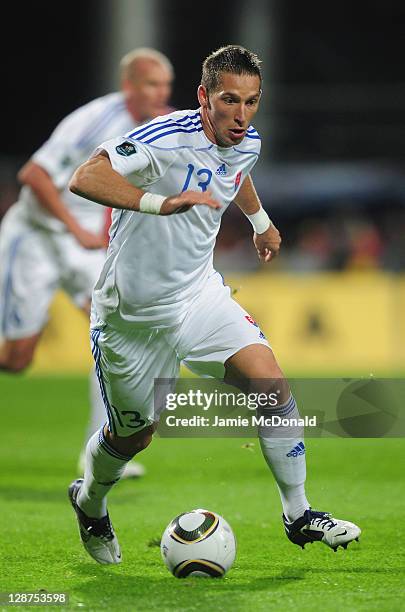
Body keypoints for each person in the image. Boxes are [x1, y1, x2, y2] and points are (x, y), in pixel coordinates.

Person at [67, 45, 361, 565]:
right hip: (131, 317)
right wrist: (162, 202)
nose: (242, 115)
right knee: (132, 438)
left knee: (269, 382)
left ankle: (298, 513)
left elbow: (235, 172)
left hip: (198, 296)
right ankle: (90, 503)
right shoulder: (164, 139)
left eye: (252, 102)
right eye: (230, 101)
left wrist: (261, 221)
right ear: (204, 97)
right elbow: (85, 176)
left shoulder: (246, 141)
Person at [0, 47, 174, 478]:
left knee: (115, 337)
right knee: (16, 360)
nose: (161, 93)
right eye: (152, 84)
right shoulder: (93, 121)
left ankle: (98, 452)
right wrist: (75, 229)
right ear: (129, 86)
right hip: (38, 238)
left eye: (166, 85)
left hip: (87, 248)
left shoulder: (160, 125)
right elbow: (33, 175)